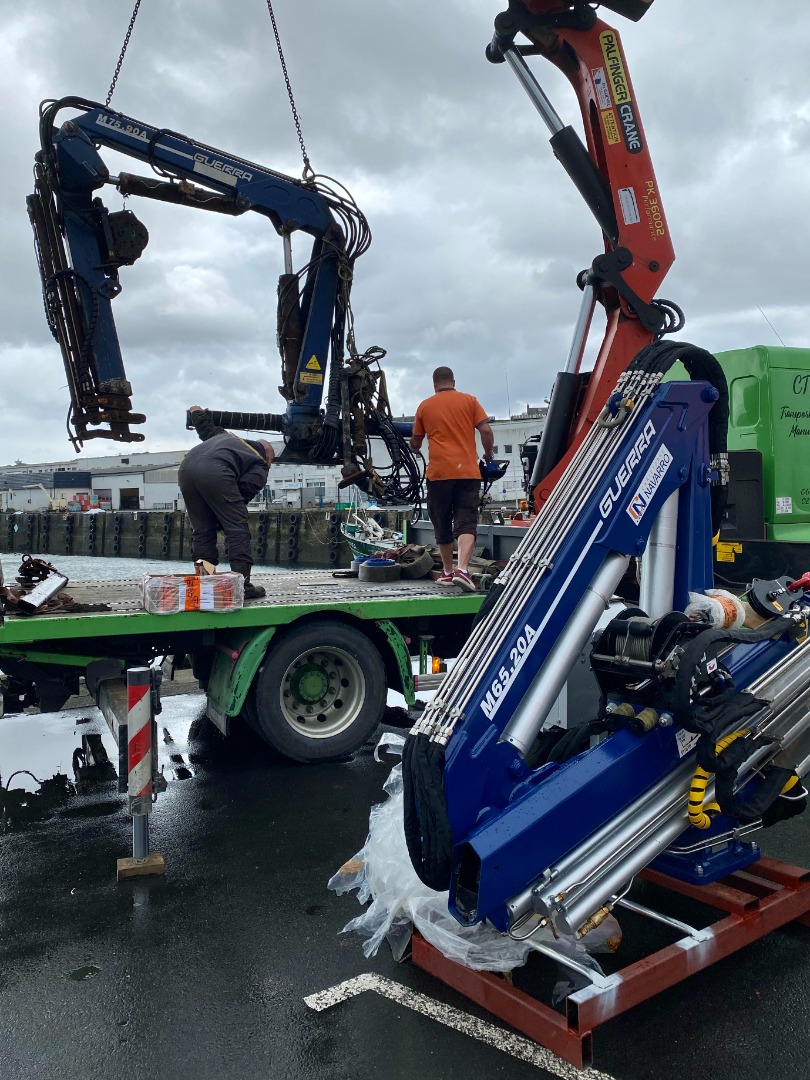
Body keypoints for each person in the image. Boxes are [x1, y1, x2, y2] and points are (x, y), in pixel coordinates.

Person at [409, 366, 494, 592]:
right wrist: (488, 454)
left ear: (434, 383)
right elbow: (486, 430)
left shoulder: (425, 406)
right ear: (453, 382)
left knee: (441, 521)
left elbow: (416, 441)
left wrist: (414, 446)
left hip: (438, 474)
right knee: (466, 520)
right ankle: (463, 571)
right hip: (467, 472)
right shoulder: (470, 401)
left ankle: (447, 572)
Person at [179, 406, 275, 600]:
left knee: (202, 532)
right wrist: (226, 518)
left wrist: (197, 412)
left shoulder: (227, 438)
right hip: (215, 472)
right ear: (267, 455)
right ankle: (242, 586)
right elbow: (244, 491)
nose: (270, 465)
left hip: (186, 470)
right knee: (237, 529)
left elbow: (205, 428)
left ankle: (204, 583)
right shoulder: (259, 462)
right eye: (271, 461)